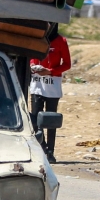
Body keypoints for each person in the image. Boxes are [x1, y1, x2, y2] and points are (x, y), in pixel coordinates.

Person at [29, 26, 71, 163]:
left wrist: (50, 71)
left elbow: (67, 64)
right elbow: (31, 57)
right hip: (37, 86)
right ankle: (42, 149)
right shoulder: (37, 38)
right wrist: (33, 66)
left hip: (52, 87)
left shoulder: (61, 41)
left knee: (51, 121)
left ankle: (51, 152)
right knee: (35, 120)